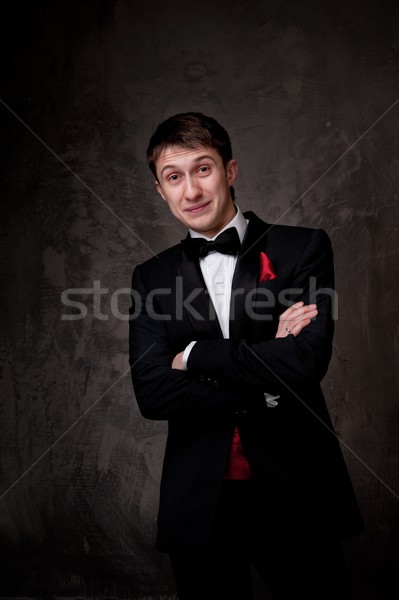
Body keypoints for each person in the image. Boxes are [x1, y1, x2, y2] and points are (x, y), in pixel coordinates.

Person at [129, 112, 364, 599]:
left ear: (230, 171)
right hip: (199, 499)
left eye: (203, 169)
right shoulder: (150, 277)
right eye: (174, 177)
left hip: (296, 489)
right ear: (160, 190)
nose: (191, 191)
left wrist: (191, 356)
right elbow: (150, 392)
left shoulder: (302, 248)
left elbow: (304, 363)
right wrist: (265, 379)